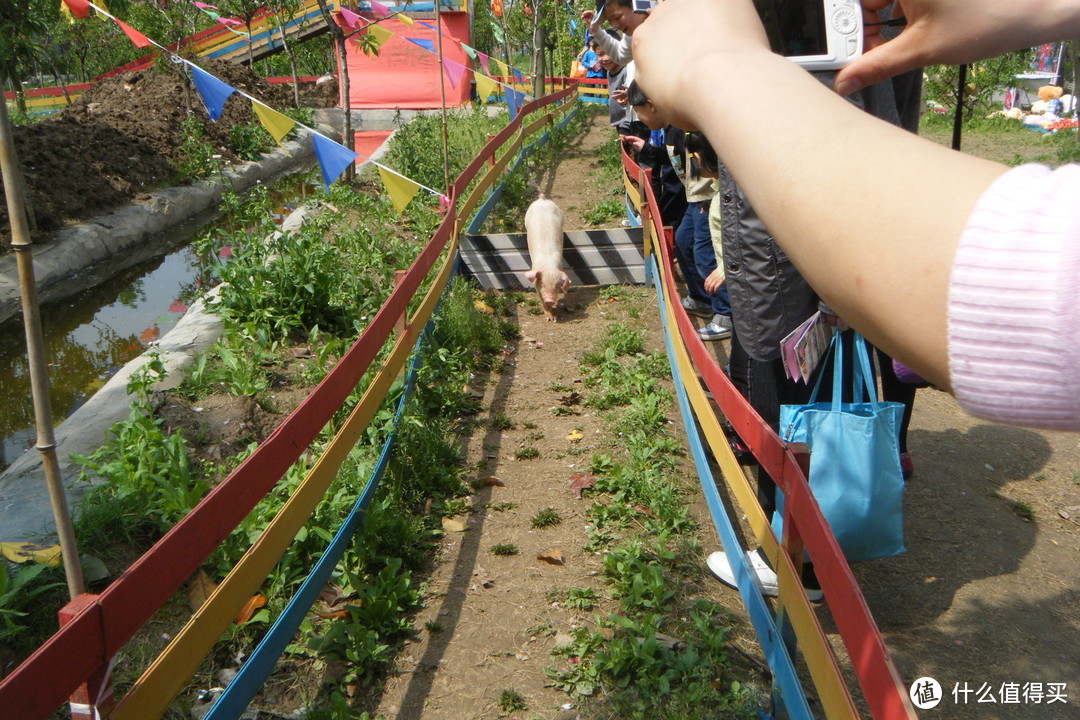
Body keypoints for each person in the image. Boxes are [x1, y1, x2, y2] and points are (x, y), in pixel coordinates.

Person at [632, 0, 1080, 431]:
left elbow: (1030, 297)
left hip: (807, 282)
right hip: (799, 282)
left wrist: (714, 67)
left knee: (812, 381)